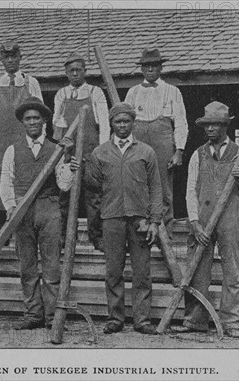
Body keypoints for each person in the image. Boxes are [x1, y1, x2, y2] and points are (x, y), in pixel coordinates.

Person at [170, 101, 239, 339]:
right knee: (197, 270)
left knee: (233, 271)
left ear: (225, 126)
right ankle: (195, 320)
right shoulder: (198, 154)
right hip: (203, 218)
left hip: (231, 217)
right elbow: (190, 191)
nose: (210, 129)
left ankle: (231, 322)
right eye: (207, 124)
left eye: (215, 124)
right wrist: (194, 222)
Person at [81, 102, 163, 335]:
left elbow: (156, 188)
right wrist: (95, 228)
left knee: (142, 272)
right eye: (118, 121)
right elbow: (93, 193)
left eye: (126, 121)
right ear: (112, 124)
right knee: (113, 271)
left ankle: (142, 320)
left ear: (133, 123)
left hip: (140, 220)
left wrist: (155, 221)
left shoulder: (146, 152)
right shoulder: (100, 153)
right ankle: (115, 318)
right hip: (112, 218)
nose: (123, 125)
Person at [0, 97, 73, 330]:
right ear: (23, 122)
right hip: (23, 210)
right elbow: (5, 181)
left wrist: (69, 160)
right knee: (27, 266)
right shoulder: (13, 150)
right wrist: (10, 206)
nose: (32, 122)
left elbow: (64, 185)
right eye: (28, 118)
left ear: (44, 121)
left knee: (51, 267)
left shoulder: (56, 149)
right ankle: (33, 314)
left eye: (36, 118)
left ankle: (52, 316)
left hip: (49, 209)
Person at [124, 48, 188, 236]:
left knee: (162, 185)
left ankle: (163, 229)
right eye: (147, 66)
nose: (151, 69)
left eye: (154, 65)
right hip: (138, 138)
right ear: (142, 69)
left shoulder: (172, 91)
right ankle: (140, 227)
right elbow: (124, 122)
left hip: (163, 139)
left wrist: (179, 151)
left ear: (161, 68)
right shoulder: (132, 92)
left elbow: (181, 122)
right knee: (138, 182)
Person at [0, 42, 43, 244]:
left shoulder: (31, 82)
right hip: (0, 140)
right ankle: (3, 228)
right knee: (1, 178)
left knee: (24, 177)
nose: (10, 60)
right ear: (1, 59)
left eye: (13, 56)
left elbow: (40, 113)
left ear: (20, 57)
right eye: (6, 57)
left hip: (22, 137)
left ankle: (25, 229)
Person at [53, 52, 110, 251]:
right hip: (69, 154)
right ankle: (66, 235)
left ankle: (97, 236)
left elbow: (104, 124)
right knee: (65, 195)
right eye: (71, 71)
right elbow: (58, 124)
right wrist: (61, 153)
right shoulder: (61, 94)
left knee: (94, 196)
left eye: (79, 70)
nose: (75, 74)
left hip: (91, 153)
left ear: (85, 71)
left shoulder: (95, 92)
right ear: (66, 73)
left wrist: (100, 153)